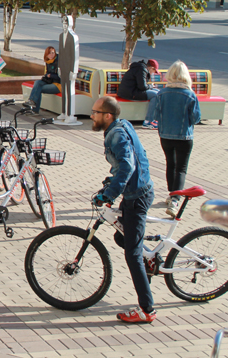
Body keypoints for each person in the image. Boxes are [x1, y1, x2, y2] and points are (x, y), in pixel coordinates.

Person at [91, 96, 156, 323]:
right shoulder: (121, 125)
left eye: (95, 112)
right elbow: (127, 163)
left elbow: (128, 166)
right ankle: (150, 257)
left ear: (107, 115)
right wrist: (112, 181)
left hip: (137, 197)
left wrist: (109, 194)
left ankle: (147, 310)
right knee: (121, 237)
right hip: (134, 192)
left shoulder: (117, 134)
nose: (92, 116)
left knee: (132, 254)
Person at [152, 61, 201, 217]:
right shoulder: (190, 94)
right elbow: (196, 118)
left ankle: (171, 194)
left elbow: (156, 115)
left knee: (170, 164)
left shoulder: (161, 93)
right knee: (181, 168)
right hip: (184, 136)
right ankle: (175, 200)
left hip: (165, 135)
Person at [117, 59, 160, 129]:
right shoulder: (142, 70)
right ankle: (148, 121)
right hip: (130, 93)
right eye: (154, 71)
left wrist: (151, 87)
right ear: (152, 68)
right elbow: (142, 86)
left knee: (158, 92)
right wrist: (151, 86)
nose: (153, 73)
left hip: (131, 91)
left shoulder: (140, 68)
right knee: (156, 95)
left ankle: (154, 118)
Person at [24, 46, 60, 114]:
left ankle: (34, 107)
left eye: (53, 53)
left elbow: (61, 77)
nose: (51, 55)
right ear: (46, 55)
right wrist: (47, 75)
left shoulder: (59, 62)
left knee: (38, 89)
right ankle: (32, 102)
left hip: (58, 84)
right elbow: (46, 73)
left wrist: (51, 75)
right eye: (49, 53)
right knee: (37, 82)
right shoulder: (48, 61)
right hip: (49, 81)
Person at [58, 16, 79, 122]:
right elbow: (60, 53)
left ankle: (70, 114)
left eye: (66, 24)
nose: (64, 26)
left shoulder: (73, 37)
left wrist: (74, 71)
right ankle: (63, 112)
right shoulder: (61, 36)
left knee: (70, 90)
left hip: (70, 68)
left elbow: (75, 56)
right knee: (63, 90)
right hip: (63, 67)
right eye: (63, 24)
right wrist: (59, 67)